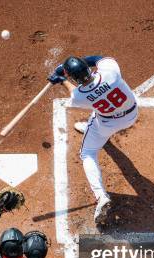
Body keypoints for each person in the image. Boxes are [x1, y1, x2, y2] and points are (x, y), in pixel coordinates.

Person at [48, 55, 139, 224]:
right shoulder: (110, 72)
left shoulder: (79, 97)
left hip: (107, 124)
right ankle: (93, 132)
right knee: (96, 115)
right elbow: (99, 58)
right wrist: (78, 64)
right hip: (131, 114)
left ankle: (100, 195)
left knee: (88, 153)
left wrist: (61, 79)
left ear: (74, 78)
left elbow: (73, 92)